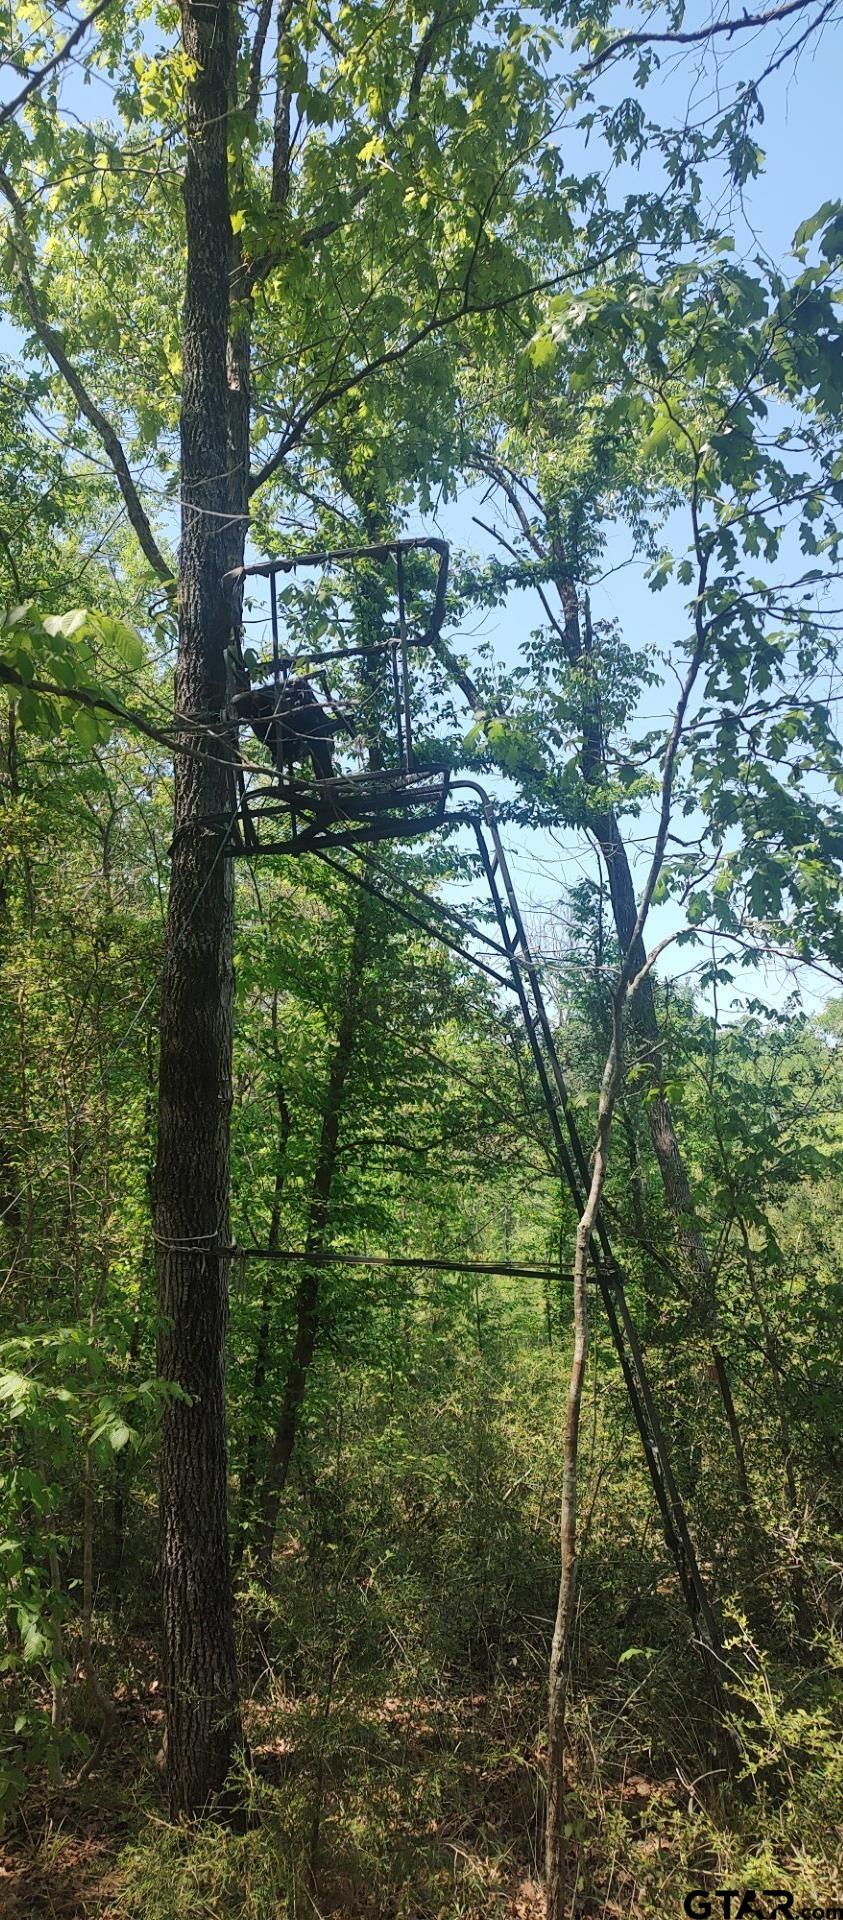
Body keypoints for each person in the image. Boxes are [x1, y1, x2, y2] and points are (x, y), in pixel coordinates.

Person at [238, 676, 342, 781]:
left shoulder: (262, 703)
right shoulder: (258, 703)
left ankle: (327, 784)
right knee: (317, 735)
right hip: (286, 733)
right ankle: (327, 783)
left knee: (317, 737)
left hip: (291, 732)